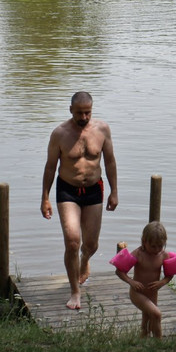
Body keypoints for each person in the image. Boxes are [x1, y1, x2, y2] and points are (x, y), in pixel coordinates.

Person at [41, 91, 119, 310]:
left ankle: (85, 260)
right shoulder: (59, 133)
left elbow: (110, 161)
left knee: (91, 244)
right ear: (70, 110)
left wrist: (114, 191)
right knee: (72, 240)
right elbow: (50, 167)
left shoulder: (102, 129)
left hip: (94, 189)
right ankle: (75, 291)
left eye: (88, 112)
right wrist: (45, 197)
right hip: (67, 190)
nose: (84, 117)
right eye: (79, 113)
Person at [114, 221, 176, 338]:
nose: (157, 249)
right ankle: (159, 344)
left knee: (148, 319)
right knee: (156, 314)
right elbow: (119, 271)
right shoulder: (138, 254)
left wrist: (162, 282)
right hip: (138, 292)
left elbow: (170, 275)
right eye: (153, 246)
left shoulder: (163, 255)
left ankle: (143, 340)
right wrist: (131, 281)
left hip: (152, 293)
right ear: (144, 241)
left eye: (160, 245)